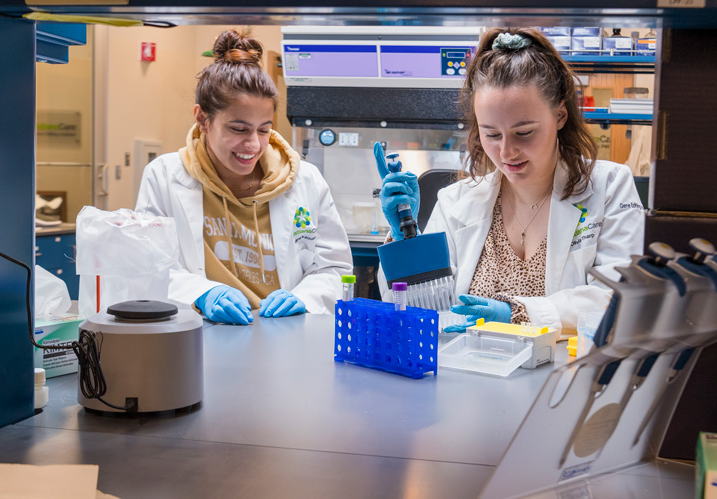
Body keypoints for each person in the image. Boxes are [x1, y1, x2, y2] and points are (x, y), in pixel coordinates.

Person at [375, 27, 645, 338]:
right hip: (471, 379)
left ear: (560, 115)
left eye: (524, 132)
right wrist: (405, 241)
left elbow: (618, 298)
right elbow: (425, 313)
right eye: (491, 134)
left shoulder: (608, 187)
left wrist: (518, 313)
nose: (506, 152)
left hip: (563, 378)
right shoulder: (456, 201)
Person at [136, 30, 352, 324]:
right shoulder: (164, 176)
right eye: (238, 129)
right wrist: (201, 293)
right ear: (202, 119)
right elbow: (148, 267)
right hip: (202, 335)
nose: (253, 144)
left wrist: (304, 297)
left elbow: (335, 269)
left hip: (285, 336)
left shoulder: (305, 180)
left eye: (263, 129)